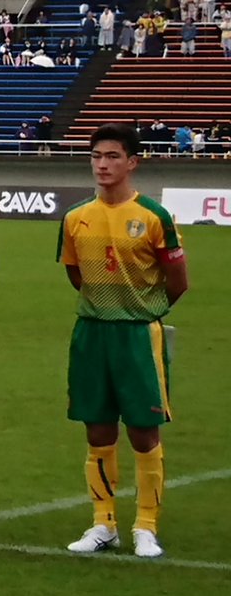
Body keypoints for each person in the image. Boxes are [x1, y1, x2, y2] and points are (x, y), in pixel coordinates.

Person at [61, 125, 188, 559]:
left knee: (143, 430)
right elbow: (75, 274)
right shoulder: (76, 217)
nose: (102, 164)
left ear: (132, 162)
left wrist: (144, 311)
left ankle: (146, 527)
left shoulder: (154, 216)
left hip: (137, 334)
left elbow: (178, 282)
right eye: (96, 155)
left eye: (113, 156)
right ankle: (103, 523)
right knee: (97, 429)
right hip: (91, 332)